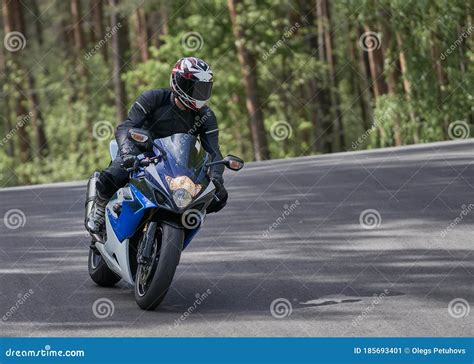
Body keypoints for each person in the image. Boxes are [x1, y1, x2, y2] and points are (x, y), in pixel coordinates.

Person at [86, 57, 227, 233]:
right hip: (142, 152)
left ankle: (177, 229)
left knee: (219, 197)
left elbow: (214, 152)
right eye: (194, 87)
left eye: (203, 89)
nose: (199, 93)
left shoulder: (206, 116)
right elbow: (126, 127)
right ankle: (99, 207)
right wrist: (128, 152)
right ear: (178, 82)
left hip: (177, 163)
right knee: (116, 172)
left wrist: (216, 178)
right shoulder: (153, 98)